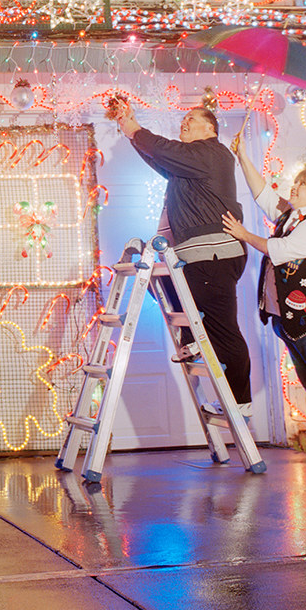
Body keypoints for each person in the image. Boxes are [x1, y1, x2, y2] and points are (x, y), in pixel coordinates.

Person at [221, 136, 306, 478]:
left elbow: (277, 250)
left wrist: (243, 233)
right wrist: (241, 154)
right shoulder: (292, 217)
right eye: (295, 183)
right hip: (296, 321)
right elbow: (263, 194)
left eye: (302, 185)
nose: (294, 187)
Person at [108, 97, 251, 416]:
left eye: (191, 119)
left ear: (210, 128)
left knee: (223, 329)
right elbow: (159, 159)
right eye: (182, 119)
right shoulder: (190, 166)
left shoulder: (211, 153)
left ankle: (241, 402)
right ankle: (190, 340)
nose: (183, 122)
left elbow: (166, 151)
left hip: (212, 255)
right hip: (197, 257)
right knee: (168, 292)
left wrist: (136, 129)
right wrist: (130, 131)